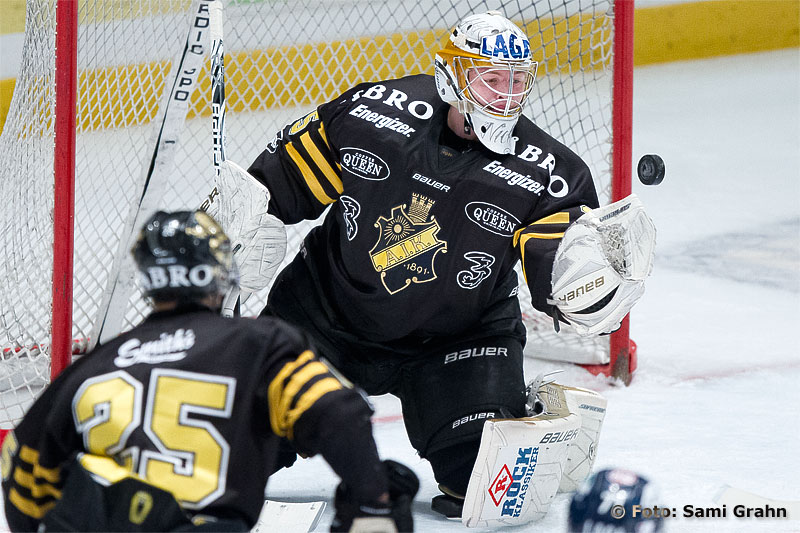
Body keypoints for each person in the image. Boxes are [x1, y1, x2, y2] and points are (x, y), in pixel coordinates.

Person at [231, 9, 651, 520]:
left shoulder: (551, 173)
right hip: (323, 315)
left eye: (517, 81)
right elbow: (273, 187)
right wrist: (235, 230)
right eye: (491, 79)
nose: (505, 95)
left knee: (489, 490)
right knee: (230, 455)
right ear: (452, 76)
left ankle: (528, 413)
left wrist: (589, 288)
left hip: (458, 340)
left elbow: (556, 271)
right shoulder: (372, 114)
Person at [0, 210, 418, 532]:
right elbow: (339, 412)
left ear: (149, 280)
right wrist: (372, 505)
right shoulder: (260, 344)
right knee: (392, 488)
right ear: (221, 270)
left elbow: (21, 465)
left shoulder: (97, 362)